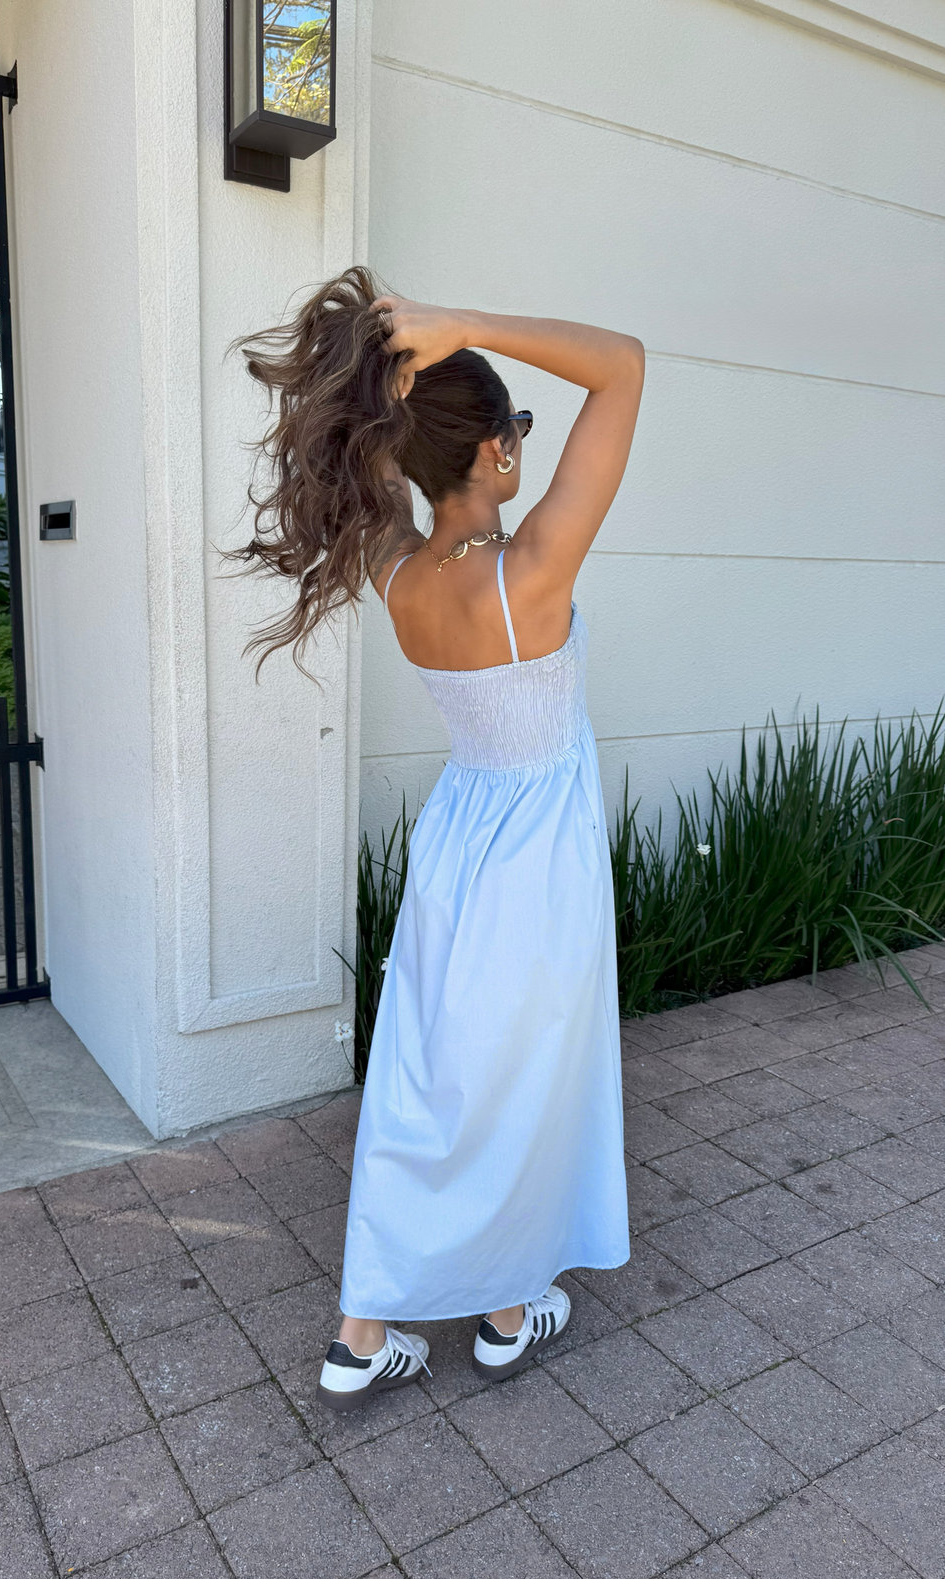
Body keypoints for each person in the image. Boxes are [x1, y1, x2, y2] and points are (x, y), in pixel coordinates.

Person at [227, 267, 644, 1413]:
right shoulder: (531, 575)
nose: (521, 444)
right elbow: (624, 363)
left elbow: (373, 470)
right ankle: (496, 1308)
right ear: (500, 455)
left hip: (457, 842)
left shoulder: (394, 567)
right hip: (536, 858)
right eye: (514, 429)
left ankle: (407, 1322)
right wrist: (467, 327)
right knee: (516, 1079)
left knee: (430, 1073)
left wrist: (391, 389)